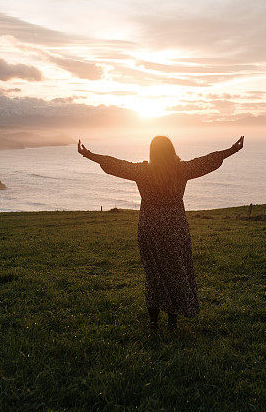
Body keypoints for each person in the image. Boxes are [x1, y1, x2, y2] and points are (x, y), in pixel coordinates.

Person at [78, 135, 244, 329]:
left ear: (152, 152)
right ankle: (172, 323)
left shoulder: (142, 171)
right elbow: (207, 161)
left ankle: (154, 323)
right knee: (174, 271)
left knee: (154, 274)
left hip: (149, 226)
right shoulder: (181, 170)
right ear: (171, 151)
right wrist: (232, 150)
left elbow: (115, 164)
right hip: (175, 227)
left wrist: (88, 154)